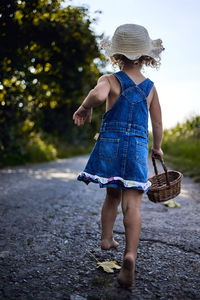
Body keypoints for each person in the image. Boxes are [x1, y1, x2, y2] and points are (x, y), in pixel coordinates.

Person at [73, 23, 164, 287]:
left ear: (117, 55)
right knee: (132, 204)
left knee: (111, 194)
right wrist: (156, 147)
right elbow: (157, 123)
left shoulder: (110, 80)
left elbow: (97, 95)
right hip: (136, 146)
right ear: (146, 56)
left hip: (111, 143)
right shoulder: (150, 88)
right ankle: (130, 255)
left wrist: (84, 108)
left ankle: (106, 237)